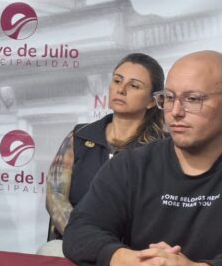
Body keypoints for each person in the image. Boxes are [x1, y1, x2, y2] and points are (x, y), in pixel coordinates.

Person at [63, 50, 222, 266]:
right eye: (169, 98)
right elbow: (81, 230)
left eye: (193, 99)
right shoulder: (131, 165)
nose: (175, 112)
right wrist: (125, 260)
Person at [44, 53, 166, 246]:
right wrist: (85, 239)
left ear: (152, 101)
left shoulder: (161, 148)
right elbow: (55, 195)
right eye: (117, 80)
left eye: (134, 86)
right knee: (50, 250)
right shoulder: (80, 135)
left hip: (131, 251)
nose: (121, 90)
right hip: (73, 243)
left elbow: (159, 213)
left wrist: (114, 252)